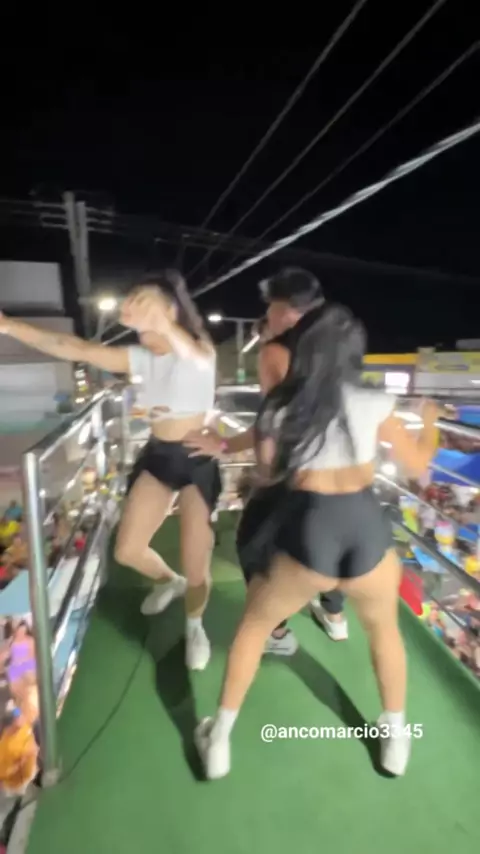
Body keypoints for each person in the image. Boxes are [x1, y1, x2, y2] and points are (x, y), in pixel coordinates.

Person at [190, 298, 439, 779]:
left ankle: (218, 740)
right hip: (364, 524)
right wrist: (428, 425)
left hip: (309, 526)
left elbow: (267, 470)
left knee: (254, 628)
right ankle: (395, 741)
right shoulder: (373, 400)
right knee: (384, 632)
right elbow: (418, 465)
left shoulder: (282, 405)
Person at [0, 269, 221, 671]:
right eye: (132, 300)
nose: (132, 307)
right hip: (158, 455)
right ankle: (168, 581)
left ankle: (195, 625)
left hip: (198, 461)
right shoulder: (139, 358)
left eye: (144, 301)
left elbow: (192, 355)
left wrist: (163, 322)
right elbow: (71, 346)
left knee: (196, 560)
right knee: (127, 550)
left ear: (170, 310)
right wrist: (8, 325)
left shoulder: (199, 351)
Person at [186, 269, 348, 655]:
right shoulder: (334, 351)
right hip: (338, 469)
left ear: (290, 312)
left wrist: (226, 447)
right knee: (324, 542)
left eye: (272, 309)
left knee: (255, 546)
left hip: (291, 473)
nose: (268, 318)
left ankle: (275, 633)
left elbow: (272, 423)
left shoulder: (274, 352)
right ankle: (334, 614)